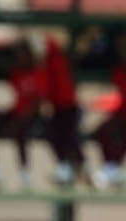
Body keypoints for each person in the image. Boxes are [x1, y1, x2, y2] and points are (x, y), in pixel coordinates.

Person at [0, 39, 47, 188]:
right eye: (17, 55)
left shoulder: (39, 73)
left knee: (20, 132)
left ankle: (26, 173)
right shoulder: (16, 73)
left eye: (21, 54)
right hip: (16, 113)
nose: (19, 58)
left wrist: (19, 120)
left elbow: (37, 103)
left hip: (32, 117)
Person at [43, 36, 85, 186]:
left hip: (66, 106)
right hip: (62, 106)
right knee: (60, 135)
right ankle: (69, 168)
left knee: (67, 136)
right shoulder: (56, 60)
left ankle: (77, 167)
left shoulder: (55, 60)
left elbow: (53, 86)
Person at [92, 31, 126, 188]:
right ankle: (111, 169)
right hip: (119, 114)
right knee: (102, 132)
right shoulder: (117, 68)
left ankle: (113, 169)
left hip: (122, 116)